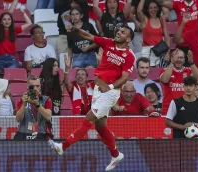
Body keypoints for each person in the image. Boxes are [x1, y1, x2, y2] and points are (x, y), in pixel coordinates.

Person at [48, 25, 135, 171]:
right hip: (98, 91)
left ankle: (63, 146)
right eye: (118, 30)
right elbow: (89, 36)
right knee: (101, 127)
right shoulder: (108, 42)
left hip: (110, 93)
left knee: (88, 119)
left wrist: (111, 87)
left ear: (128, 39)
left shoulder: (130, 55)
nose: (118, 32)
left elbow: (125, 78)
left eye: (123, 32)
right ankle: (116, 154)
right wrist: (76, 29)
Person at [154, 0, 198, 65]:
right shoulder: (177, 3)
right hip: (182, 44)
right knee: (182, 73)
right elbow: (161, 2)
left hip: (197, 45)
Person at [160, 48, 198, 115]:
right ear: (172, 58)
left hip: (187, 108)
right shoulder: (165, 70)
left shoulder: (188, 71)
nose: (179, 59)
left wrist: (191, 62)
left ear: (184, 60)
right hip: (169, 109)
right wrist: (172, 63)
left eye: (181, 57)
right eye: (177, 57)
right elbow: (165, 80)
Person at [14, 75, 53, 140]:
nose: (35, 89)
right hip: (24, 134)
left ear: (40, 87)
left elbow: (48, 117)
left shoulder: (47, 100)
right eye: (32, 86)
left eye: (37, 86)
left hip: (41, 134)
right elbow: (18, 119)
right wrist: (23, 105)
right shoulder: (22, 100)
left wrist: (37, 104)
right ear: (27, 87)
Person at [0, 1, 32, 68]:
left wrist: (23, 13)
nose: (7, 21)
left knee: (12, 77)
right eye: (4, 19)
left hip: (11, 59)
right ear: (0, 21)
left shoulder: (14, 30)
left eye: (9, 19)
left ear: (12, 21)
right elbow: (10, 12)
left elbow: (29, 23)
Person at [137, 0, 171, 67]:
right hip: (147, 51)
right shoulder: (145, 19)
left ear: (158, 8)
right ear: (147, 10)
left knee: (161, 73)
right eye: (151, 8)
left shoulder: (161, 20)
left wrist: (168, 52)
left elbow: (167, 37)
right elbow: (138, 11)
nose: (153, 10)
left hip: (160, 50)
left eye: (155, 7)